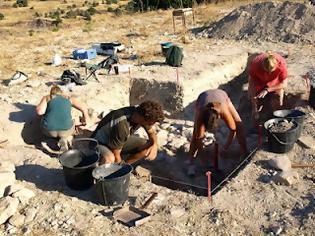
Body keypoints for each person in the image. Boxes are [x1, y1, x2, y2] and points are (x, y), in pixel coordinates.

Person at [187, 89, 247, 176]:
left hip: (221, 96)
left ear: (219, 117)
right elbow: (198, 138)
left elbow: (233, 129)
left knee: (239, 123)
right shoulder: (201, 113)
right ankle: (191, 159)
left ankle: (244, 152)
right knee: (195, 133)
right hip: (203, 98)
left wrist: (226, 146)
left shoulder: (224, 111)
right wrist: (204, 162)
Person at [91, 100, 165, 165]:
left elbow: (152, 133)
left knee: (148, 145)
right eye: (151, 122)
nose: (152, 124)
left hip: (118, 141)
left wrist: (154, 145)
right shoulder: (122, 124)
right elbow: (116, 154)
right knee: (110, 159)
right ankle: (110, 174)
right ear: (142, 118)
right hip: (99, 143)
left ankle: (124, 165)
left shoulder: (140, 114)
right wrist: (119, 169)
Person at [36, 85, 89, 151]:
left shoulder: (47, 97)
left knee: (41, 118)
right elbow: (83, 108)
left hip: (49, 131)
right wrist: (85, 120)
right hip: (66, 131)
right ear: (61, 92)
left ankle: (52, 140)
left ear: (51, 93)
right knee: (73, 121)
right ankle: (66, 138)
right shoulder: (69, 98)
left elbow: (40, 112)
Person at [248, 52, 288, 120]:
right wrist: (254, 105)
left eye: (271, 71)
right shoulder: (255, 65)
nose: (269, 73)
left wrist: (267, 90)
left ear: (276, 66)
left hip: (275, 82)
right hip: (260, 81)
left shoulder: (281, 65)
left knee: (277, 103)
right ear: (262, 66)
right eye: (266, 71)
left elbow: (284, 84)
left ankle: (277, 118)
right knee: (257, 101)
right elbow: (251, 84)